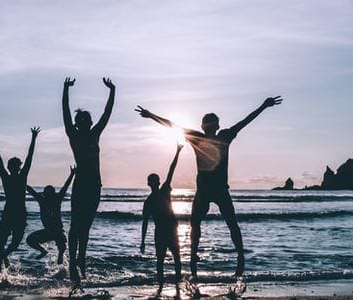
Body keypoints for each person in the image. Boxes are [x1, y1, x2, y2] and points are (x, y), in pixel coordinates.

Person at [136, 96, 283, 292]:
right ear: (207, 125)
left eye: (211, 122)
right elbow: (172, 125)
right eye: (209, 122)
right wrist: (151, 115)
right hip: (206, 191)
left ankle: (236, 256)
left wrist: (263, 106)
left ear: (211, 125)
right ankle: (197, 261)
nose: (210, 125)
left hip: (217, 190)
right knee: (198, 222)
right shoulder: (207, 136)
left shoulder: (222, 136)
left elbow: (245, 121)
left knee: (228, 223)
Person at [62, 77, 115, 284]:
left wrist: (113, 91)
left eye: (86, 121)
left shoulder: (95, 134)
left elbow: (107, 113)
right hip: (82, 185)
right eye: (80, 121)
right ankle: (73, 263)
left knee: (85, 227)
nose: (84, 123)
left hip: (95, 187)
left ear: (90, 123)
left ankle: (80, 260)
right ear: (78, 123)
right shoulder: (73, 135)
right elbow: (65, 112)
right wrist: (65, 90)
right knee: (76, 226)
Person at [0, 127, 39, 271]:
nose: (14, 167)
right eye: (13, 166)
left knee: (13, 243)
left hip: (17, 213)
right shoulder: (8, 177)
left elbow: (28, 158)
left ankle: (2, 257)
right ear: (10, 167)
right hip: (12, 212)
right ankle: (2, 259)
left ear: (17, 168)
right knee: (3, 241)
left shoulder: (20, 177)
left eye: (16, 166)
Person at [140, 142, 183, 296]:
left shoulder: (164, 190)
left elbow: (171, 170)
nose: (153, 183)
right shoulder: (149, 201)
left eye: (154, 181)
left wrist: (177, 151)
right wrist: (142, 241)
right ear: (150, 184)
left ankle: (177, 285)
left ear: (156, 183)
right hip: (163, 231)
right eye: (152, 182)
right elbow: (144, 222)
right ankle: (162, 286)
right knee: (161, 260)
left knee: (176, 258)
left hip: (171, 229)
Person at [25, 166, 76, 264]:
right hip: (51, 231)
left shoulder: (49, 200)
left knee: (61, 251)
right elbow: (31, 190)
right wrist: (72, 174)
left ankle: (52, 257)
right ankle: (44, 251)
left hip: (57, 231)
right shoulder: (49, 200)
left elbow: (31, 190)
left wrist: (72, 174)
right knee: (30, 240)